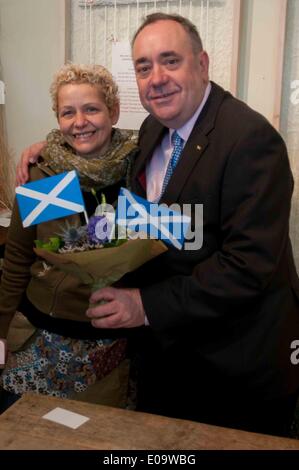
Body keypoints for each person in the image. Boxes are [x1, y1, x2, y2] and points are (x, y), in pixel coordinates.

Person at [17, 13, 299, 437]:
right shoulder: (154, 130)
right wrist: (51, 147)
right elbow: (95, 141)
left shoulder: (250, 140)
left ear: (202, 64)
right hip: (167, 357)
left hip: (234, 366)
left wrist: (145, 305)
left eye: (171, 61)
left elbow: (247, 267)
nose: (157, 78)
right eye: (144, 67)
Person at [0, 63, 138, 412]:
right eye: (68, 112)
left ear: (114, 111)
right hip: (37, 339)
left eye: (91, 108)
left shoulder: (139, 171)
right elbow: (17, 260)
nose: (80, 122)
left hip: (106, 347)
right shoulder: (45, 176)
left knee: (98, 438)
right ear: (57, 118)